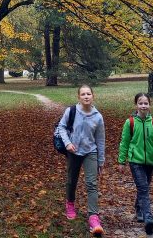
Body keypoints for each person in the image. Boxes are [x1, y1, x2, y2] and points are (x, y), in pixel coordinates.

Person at [55, 84, 106, 236]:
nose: (86, 96)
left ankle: (93, 217)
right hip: (74, 151)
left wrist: (101, 160)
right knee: (72, 180)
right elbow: (61, 127)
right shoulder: (71, 111)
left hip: (91, 152)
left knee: (92, 184)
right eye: (83, 94)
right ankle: (70, 203)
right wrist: (67, 143)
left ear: (93, 96)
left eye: (88, 94)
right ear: (79, 97)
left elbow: (100, 139)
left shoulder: (98, 116)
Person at [117, 92, 153, 236]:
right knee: (143, 188)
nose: (143, 106)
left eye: (146, 103)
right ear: (136, 105)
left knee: (144, 187)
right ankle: (148, 219)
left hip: (150, 162)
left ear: (149, 105)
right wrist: (121, 161)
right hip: (135, 162)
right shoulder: (130, 123)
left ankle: (138, 208)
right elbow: (124, 142)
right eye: (140, 103)